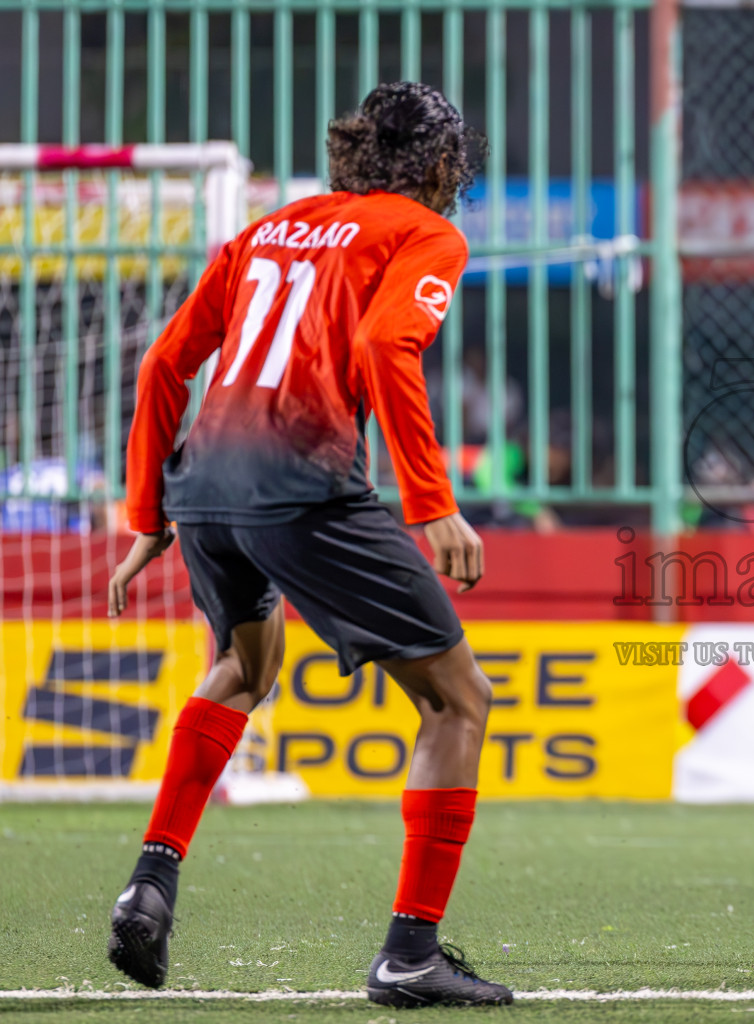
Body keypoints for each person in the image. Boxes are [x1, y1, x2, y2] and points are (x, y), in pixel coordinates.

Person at [104, 82, 513, 1006]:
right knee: (458, 701)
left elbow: (166, 363)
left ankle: (151, 882)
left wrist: (146, 518)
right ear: (442, 165)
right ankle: (411, 954)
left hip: (204, 485)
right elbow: (384, 348)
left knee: (246, 668)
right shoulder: (424, 233)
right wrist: (433, 504)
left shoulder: (271, 228)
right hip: (300, 483)